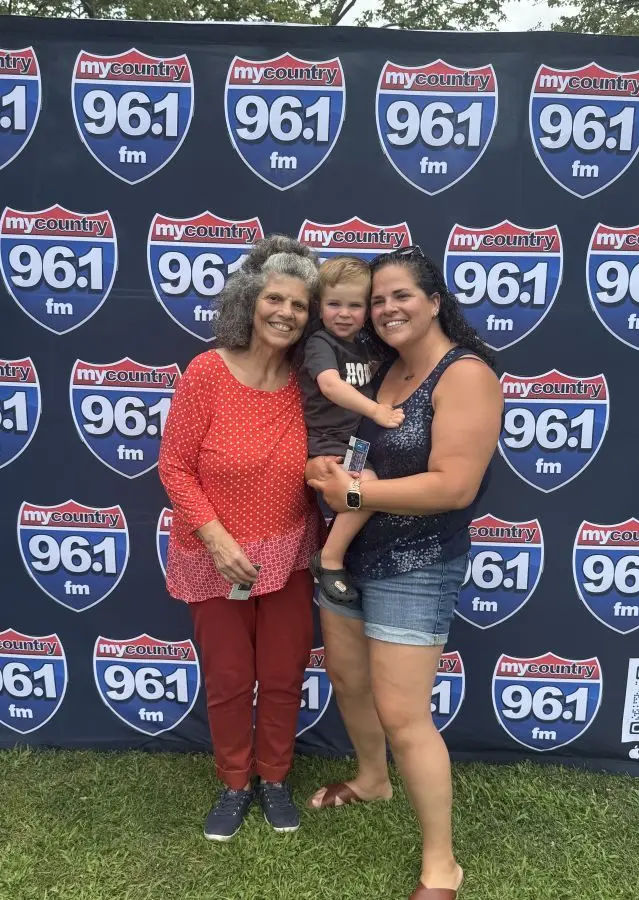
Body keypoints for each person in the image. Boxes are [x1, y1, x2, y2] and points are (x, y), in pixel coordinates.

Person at [305, 245, 503, 900]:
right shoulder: (386, 370)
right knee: (347, 680)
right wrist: (330, 474)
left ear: (434, 302)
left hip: (415, 565)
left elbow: (453, 487)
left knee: (403, 715)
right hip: (349, 554)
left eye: (401, 296)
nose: (386, 309)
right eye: (377, 300)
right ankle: (372, 779)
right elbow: (363, 457)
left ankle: (442, 865)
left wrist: (354, 494)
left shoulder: (465, 375)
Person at [158, 235, 323, 842]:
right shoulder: (207, 372)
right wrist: (217, 540)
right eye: (275, 299)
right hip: (214, 559)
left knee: (282, 675)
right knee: (229, 680)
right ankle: (234, 783)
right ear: (249, 301)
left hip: (290, 555)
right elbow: (174, 466)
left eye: (299, 305)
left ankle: (274, 778)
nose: (286, 313)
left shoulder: (311, 383)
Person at [298, 256, 404, 607]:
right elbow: (330, 385)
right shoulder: (320, 343)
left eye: (355, 306)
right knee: (365, 488)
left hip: (355, 443)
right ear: (319, 306)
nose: (344, 314)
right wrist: (376, 410)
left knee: (360, 495)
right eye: (334, 304)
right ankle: (329, 559)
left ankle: (335, 550)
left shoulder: (361, 347)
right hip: (328, 443)